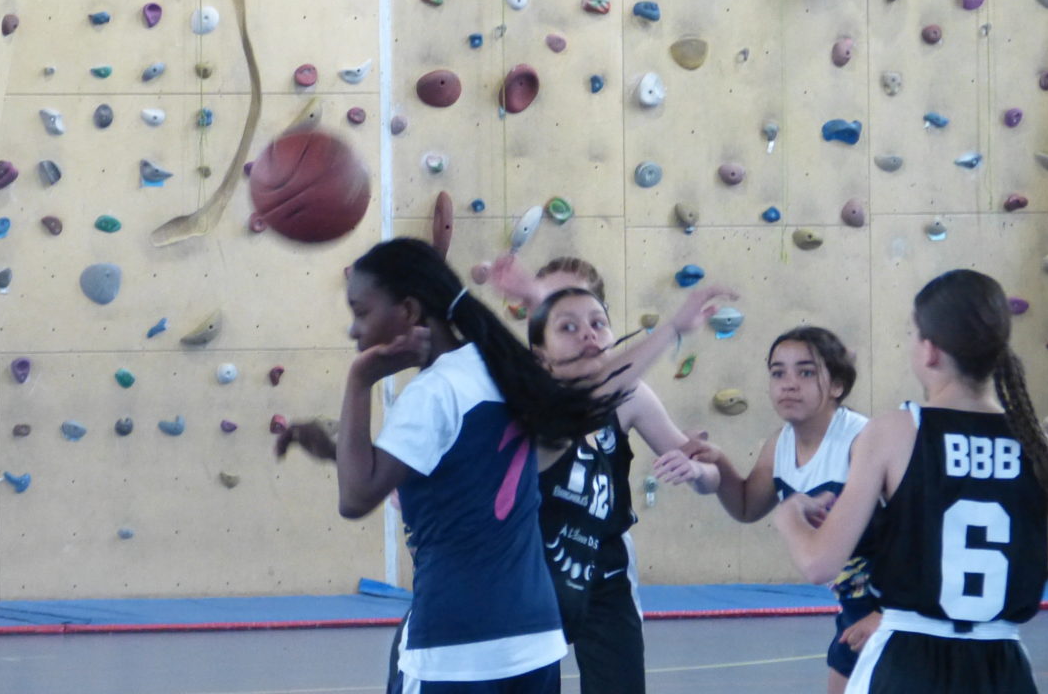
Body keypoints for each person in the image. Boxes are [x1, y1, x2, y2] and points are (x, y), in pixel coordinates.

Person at [281, 237, 730, 694]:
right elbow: (588, 396)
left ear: (409, 311)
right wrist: (672, 329)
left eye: (361, 312)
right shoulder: (501, 371)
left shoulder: (435, 392)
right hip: (533, 642)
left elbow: (356, 497)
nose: (354, 330)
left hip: (455, 645)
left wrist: (360, 380)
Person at [771, 269, 1048, 694]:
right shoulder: (1041, 448)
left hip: (907, 662)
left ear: (929, 350)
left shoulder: (894, 434)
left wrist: (788, 516)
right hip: (1002, 667)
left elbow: (819, 563)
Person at [657, 326, 880, 693]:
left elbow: (927, 528)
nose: (788, 384)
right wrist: (719, 462)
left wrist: (889, 616)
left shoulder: (863, 441)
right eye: (778, 373)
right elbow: (747, 506)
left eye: (805, 372)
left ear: (837, 386)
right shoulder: (780, 444)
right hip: (853, 610)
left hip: (901, 614)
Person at [526, 278, 720, 694]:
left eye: (598, 323)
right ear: (540, 355)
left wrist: (697, 470)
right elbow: (585, 401)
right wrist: (672, 328)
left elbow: (712, 476)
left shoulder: (632, 395)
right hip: (533, 572)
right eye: (569, 326)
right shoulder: (529, 405)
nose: (588, 334)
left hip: (606, 568)